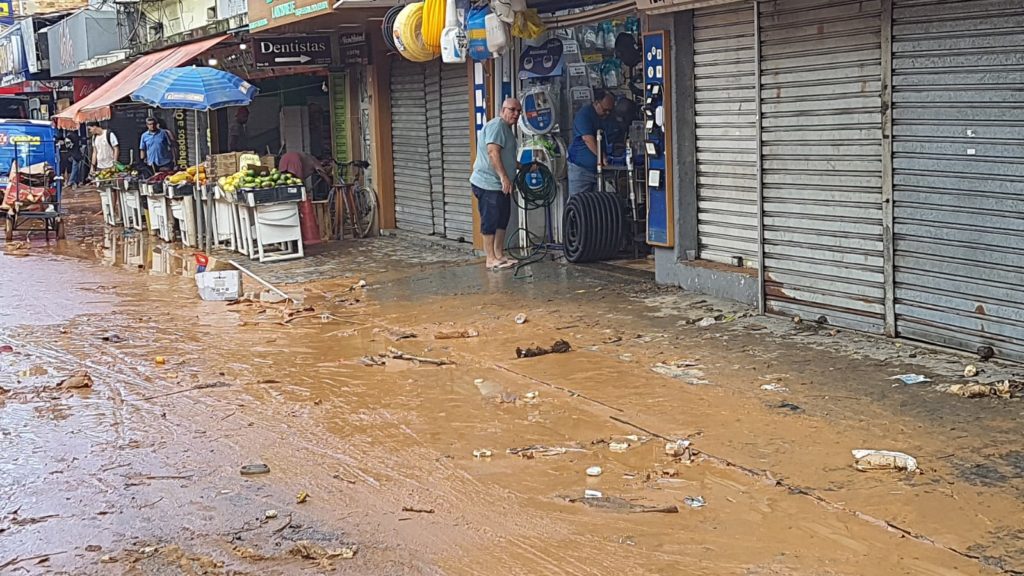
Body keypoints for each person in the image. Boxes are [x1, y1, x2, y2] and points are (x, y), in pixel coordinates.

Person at [469, 97, 520, 271]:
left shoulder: (507, 130)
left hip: (501, 185)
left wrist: (522, 166)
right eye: (512, 110)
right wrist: (504, 177)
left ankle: (499, 255)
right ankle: (490, 258)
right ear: (502, 110)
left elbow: (507, 157)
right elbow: (493, 152)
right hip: (488, 183)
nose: (516, 114)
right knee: (490, 220)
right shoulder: (497, 126)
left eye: (518, 111)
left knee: (502, 219)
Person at [567, 89, 615, 196]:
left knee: (597, 206)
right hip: (581, 170)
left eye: (609, 111)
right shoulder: (584, 115)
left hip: (600, 171)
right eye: (605, 110)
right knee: (578, 204)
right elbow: (588, 139)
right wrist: (601, 157)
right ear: (596, 103)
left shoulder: (607, 118)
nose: (607, 113)